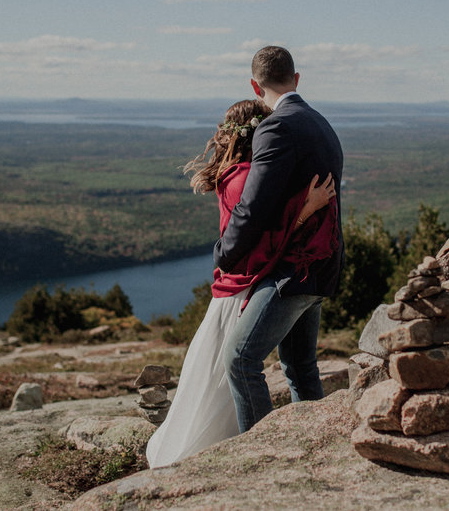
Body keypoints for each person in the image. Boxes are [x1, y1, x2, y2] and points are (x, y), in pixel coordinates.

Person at [145, 97, 338, 468]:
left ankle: (298, 448)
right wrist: (304, 212)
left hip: (244, 285)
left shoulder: (237, 173)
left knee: (286, 366)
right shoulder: (246, 179)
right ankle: (262, 456)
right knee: (241, 362)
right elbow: (259, 247)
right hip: (244, 286)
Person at [215, 45, 345, 433]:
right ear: (297, 79)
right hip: (322, 265)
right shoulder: (320, 122)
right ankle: (314, 444)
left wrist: (226, 254)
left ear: (255, 86)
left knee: (240, 360)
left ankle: (260, 455)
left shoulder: (276, 126)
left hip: (294, 271)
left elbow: (253, 208)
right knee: (299, 366)